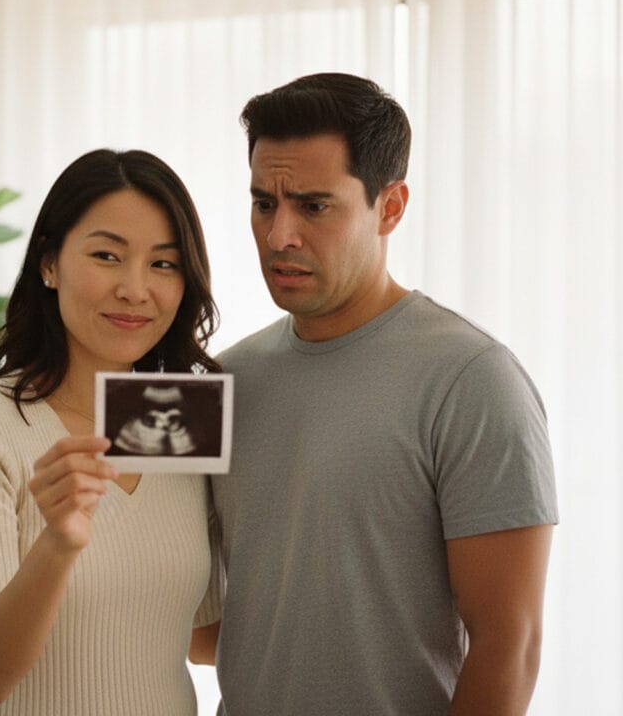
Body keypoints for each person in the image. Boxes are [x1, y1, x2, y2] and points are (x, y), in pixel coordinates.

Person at [208, 73, 559, 715]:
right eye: (263, 203)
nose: (279, 235)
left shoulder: (472, 379)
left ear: (390, 207)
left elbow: (511, 644)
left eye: (313, 207)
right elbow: (205, 627)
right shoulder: (225, 380)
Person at [0, 148, 224, 715]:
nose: (135, 289)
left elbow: (201, 637)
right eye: (107, 255)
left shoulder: (177, 420)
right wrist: (58, 542)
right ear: (49, 264)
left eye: (163, 264)